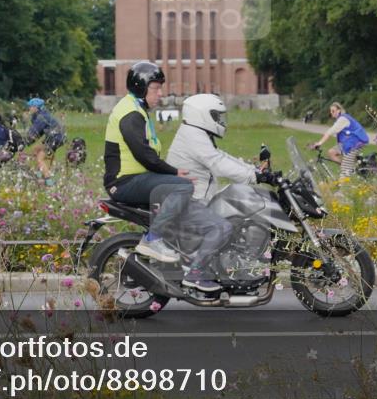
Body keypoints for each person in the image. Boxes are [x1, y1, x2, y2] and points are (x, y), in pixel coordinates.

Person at [166, 93, 278, 291]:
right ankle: (195, 274)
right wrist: (255, 177)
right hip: (190, 201)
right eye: (216, 116)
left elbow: (220, 156)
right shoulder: (193, 136)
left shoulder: (196, 133)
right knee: (223, 227)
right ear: (202, 115)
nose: (220, 120)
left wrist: (254, 170)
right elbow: (217, 164)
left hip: (196, 197)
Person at [104, 61, 193, 265]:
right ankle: (153, 240)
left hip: (133, 179)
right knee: (183, 187)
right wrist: (174, 172)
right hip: (124, 183)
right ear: (141, 88)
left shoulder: (135, 109)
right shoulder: (131, 114)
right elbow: (145, 155)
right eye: (155, 88)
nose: (160, 93)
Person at [309, 102, 370, 178]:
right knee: (331, 152)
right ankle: (350, 167)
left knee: (344, 171)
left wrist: (319, 143)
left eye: (333, 111)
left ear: (339, 110)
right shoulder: (340, 119)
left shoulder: (343, 119)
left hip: (356, 142)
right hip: (348, 142)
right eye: (330, 111)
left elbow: (330, 132)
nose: (331, 113)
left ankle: (344, 185)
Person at [23, 98, 66, 185]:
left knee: (40, 158)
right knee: (36, 149)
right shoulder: (42, 115)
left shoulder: (41, 117)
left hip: (54, 138)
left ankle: (48, 180)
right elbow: (39, 134)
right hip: (53, 137)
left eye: (30, 107)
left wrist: (24, 142)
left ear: (36, 107)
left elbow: (34, 132)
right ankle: (39, 174)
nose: (29, 109)